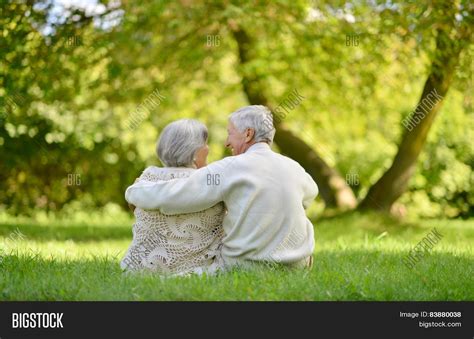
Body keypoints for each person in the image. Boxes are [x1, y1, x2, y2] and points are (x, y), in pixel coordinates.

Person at [126, 105, 318, 270]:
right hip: (297, 266)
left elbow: (175, 194)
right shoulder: (295, 168)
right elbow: (311, 194)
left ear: (248, 133)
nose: (227, 142)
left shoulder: (229, 169)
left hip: (247, 265)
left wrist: (133, 191)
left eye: (230, 133)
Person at [121, 119, 225, 275]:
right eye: (205, 143)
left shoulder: (148, 176)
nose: (207, 148)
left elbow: (136, 208)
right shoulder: (209, 181)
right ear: (196, 151)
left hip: (138, 268)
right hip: (194, 269)